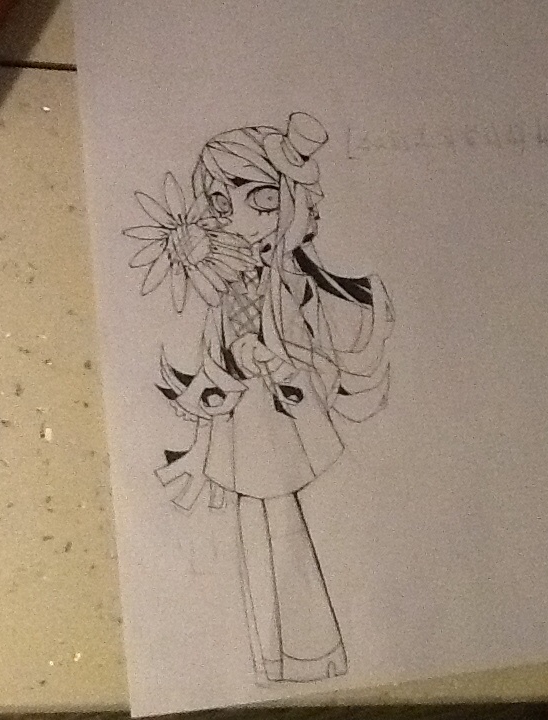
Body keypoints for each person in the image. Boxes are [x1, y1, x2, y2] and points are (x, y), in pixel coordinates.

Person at [123, 112, 393, 683]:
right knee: (262, 533)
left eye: (260, 199)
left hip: (272, 424)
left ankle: (306, 653)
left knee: (283, 532)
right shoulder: (235, 276)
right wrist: (234, 361)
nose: (231, 216)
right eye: (218, 202)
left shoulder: (286, 280)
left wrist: (270, 362)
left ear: (290, 202)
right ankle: (279, 656)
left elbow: (303, 351)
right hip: (246, 423)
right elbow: (218, 345)